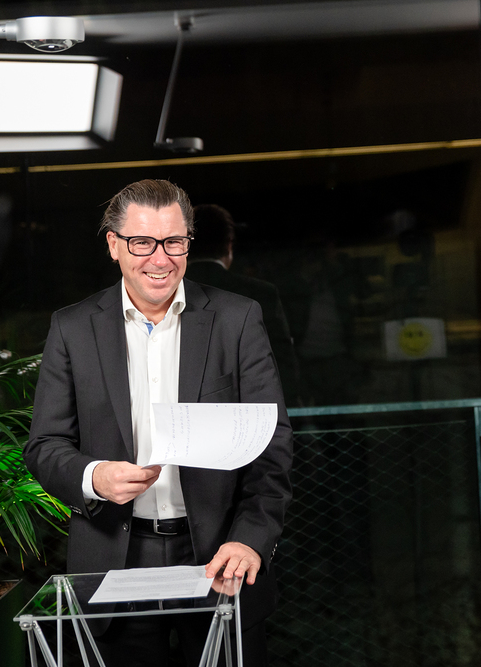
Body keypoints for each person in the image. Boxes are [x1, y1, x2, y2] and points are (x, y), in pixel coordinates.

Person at [25, 179, 293, 667]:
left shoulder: (237, 320)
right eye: (142, 242)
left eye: (174, 242)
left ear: (189, 242)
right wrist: (94, 477)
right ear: (114, 245)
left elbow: (270, 443)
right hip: (114, 558)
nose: (160, 259)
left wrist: (250, 538)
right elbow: (45, 445)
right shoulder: (72, 328)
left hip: (219, 557)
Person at [186, 204, 300, 406]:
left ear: (185, 244)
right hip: (248, 414)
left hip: (179, 416)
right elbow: (282, 368)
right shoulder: (260, 294)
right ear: (229, 243)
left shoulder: (162, 294)